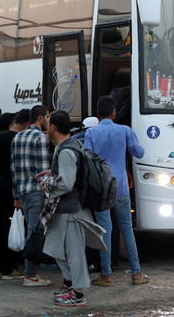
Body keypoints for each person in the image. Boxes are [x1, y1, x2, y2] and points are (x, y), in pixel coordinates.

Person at [40, 110, 106, 307]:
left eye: (48, 122)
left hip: (70, 210)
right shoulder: (72, 144)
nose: (45, 125)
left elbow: (67, 184)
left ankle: (78, 294)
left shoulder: (66, 150)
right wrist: (54, 171)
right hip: (67, 210)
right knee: (56, 249)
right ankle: (70, 285)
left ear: (53, 128)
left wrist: (46, 184)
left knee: (73, 254)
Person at [85, 96, 149, 286]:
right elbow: (139, 152)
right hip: (120, 188)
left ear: (98, 114)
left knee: (105, 230)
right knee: (127, 230)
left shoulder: (91, 134)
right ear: (114, 113)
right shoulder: (125, 130)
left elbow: (87, 159)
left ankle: (106, 275)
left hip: (101, 190)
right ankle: (136, 274)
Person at [0, 110, 29, 279]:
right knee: (9, 226)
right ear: (26, 124)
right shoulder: (22, 139)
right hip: (12, 186)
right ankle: (8, 269)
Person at [10, 104, 52, 287]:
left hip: (22, 191)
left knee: (31, 230)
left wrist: (16, 195)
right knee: (34, 232)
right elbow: (44, 171)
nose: (49, 121)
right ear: (40, 118)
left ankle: (30, 272)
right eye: (48, 117)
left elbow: (13, 168)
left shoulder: (17, 137)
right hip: (36, 191)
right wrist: (47, 195)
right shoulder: (41, 138)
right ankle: (29, 274)